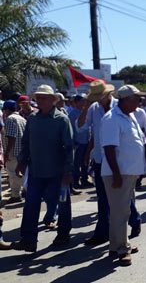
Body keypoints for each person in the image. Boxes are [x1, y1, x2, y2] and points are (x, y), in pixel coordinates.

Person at [78, 80, 142, 245]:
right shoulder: (94, 109)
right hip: (102, 158)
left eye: (99, 96)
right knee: (105, 199)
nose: (97, 100)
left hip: (121, 162)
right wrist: (85, 107)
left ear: (108, 94)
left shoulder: (122, 109)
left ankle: (133, 223)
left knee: (123, 200)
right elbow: (82, 128)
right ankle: (105, 234)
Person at [12, 85, 74, 252]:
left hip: (58, 172)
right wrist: (21, 162)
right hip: (36, 171)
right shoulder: (33, 119)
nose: (40, 100)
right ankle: (28, 240)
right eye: (38, 97)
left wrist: (68, 171)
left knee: (62, 204)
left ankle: (63, 234)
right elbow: (26, 143)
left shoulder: (62, 119)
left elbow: (69, 147)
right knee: (31, 205)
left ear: (53, 100)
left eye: (44, 97)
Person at [101, 85, 146, 266]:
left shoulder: (130, 115)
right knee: (121, 211)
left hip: (129, 172)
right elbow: (109, 148)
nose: (139, 102)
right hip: (118, 173)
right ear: (126, 99)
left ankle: (117, 244)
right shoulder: (112, 118)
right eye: (136, 99)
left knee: (122, 210)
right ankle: (122, 249)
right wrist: (117, 174)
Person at [3, 100, 27, 203]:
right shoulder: (21, 118)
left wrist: (7, 153)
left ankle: (19, 194)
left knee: (13, 174)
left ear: (7, 109)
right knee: (17, 174)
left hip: (13, 152)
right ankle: (17, 194)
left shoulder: (10, 119)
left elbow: (11, 137)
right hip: (22, 151)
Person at [70, 94, 91, 189]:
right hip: (78, 142)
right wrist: (74, 142)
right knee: (77, 163)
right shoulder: (73, 114)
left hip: (86, 141)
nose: (84, 103)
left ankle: (84, 180)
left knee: (85, 162)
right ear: (76, 102)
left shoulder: (86, 112)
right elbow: (71, 129)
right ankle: (75, 182)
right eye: (82, 101)